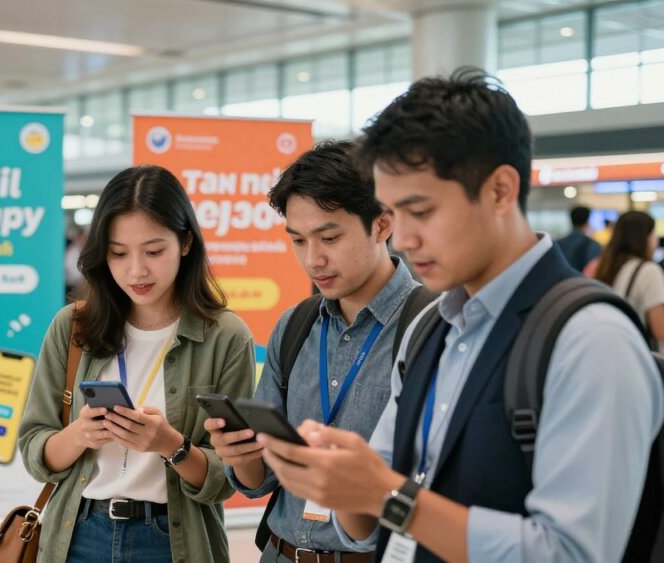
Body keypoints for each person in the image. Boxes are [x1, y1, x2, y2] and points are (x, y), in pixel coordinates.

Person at [256, 68, 663, 562]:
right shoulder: (431, 329)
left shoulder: (591, 339)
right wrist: (345, 481)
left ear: (499, 190)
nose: (402, 238)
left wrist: (384, 494)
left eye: (421, 211)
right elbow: (367, 526)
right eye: (393, 213)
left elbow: (570, 553)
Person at [17, 165, 256, 563]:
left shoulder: (226, 336)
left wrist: (170, 446)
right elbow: (35, 450)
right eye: (118, 253)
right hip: (76, 534)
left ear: (184, 243)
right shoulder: (73, 326)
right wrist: (81, 435)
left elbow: (227, 480)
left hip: (171, 541)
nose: (136, 270)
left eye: (154, 251)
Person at [204, 141, 420, 563]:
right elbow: (260, 479)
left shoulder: (428, 325)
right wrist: (241, 456)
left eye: (330, 237)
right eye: (299, 240)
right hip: (281, 553)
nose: (313, 259)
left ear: (382, 224)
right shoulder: (296, 325)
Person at [593, 210, 664, 346]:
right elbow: (660, 329)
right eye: (653, 233)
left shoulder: (605, 267)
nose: (655, 239)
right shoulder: (648, 270)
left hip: (617, 346)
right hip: (644, 354)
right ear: (644, 238)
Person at [555, 205, 601, 271]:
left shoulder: (557, 244)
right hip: (583, 280)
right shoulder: (594, 246)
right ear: (587, 221)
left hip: (562, 281)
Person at [64, 225, 87, 301]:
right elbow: (70, 266)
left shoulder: (83, 250)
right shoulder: (71, 251)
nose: (84, 240)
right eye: (82, 238)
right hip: (72, 285)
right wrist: (83, 278)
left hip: (82, 283)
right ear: (78, 238)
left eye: (85, 238)